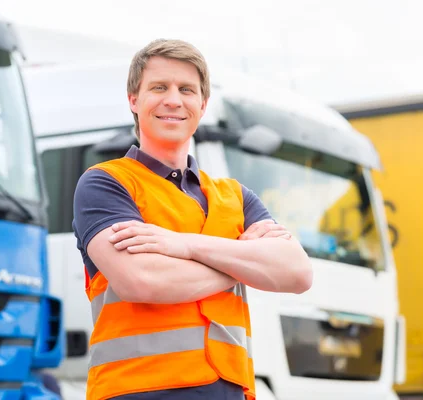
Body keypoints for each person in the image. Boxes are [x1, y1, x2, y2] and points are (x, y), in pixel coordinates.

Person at [72, 38, 313, 400]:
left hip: (231, 390)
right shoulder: (105, 183)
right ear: (133, 100)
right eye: (159, 87)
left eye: (187, 89)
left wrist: (184, 245)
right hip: (138, 391)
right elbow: (143, 279)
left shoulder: (237, 197)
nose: (173, 100)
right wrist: (242, 261)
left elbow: (297, 273)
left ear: (202, 105)